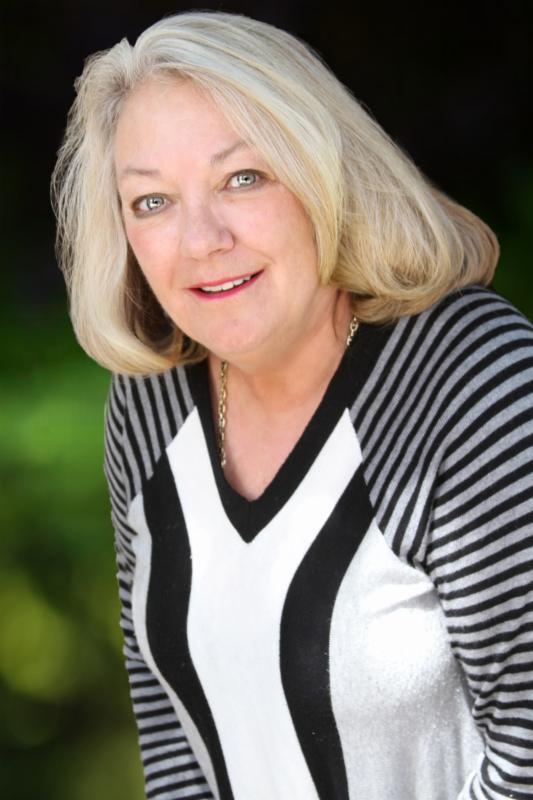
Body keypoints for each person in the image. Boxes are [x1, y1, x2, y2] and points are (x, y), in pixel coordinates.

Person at [51, 10, 533, 800]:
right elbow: (172, 733)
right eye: (152, 201)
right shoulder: (150, 405)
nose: (200, 239)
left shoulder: (468, 374)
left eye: (242, 178)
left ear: (323, 171)